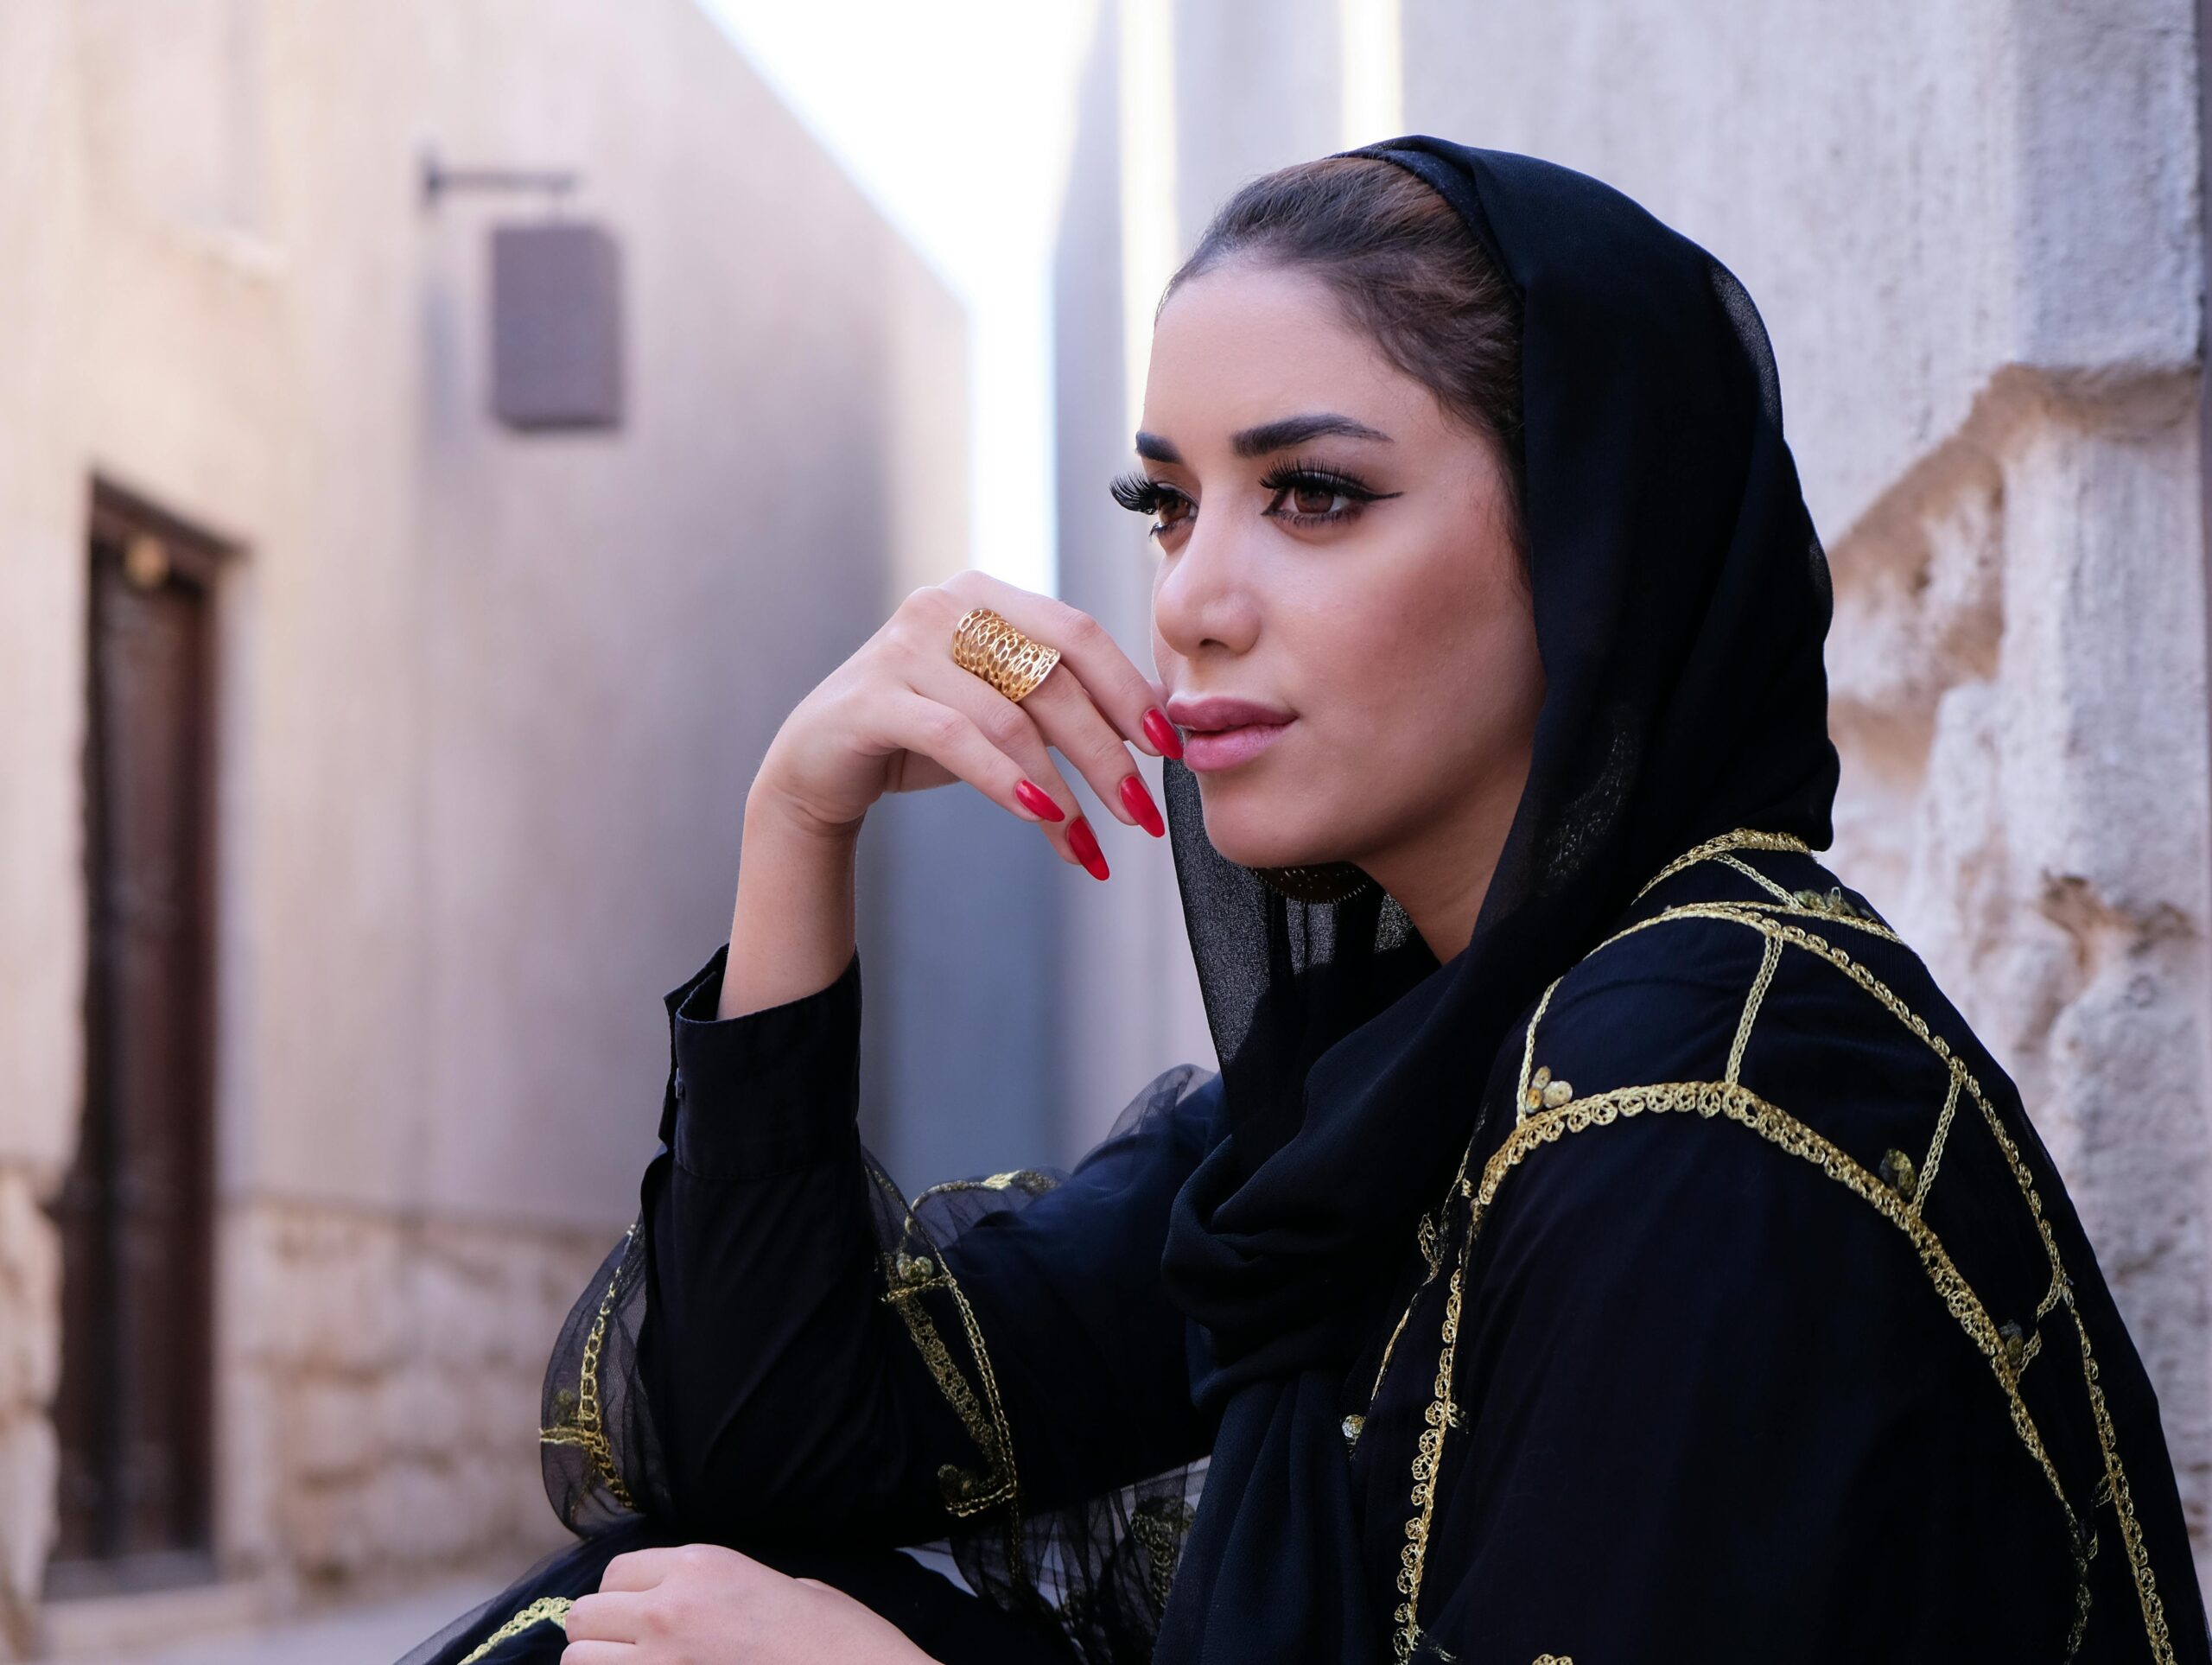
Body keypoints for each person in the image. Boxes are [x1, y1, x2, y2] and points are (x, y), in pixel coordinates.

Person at [404, 138, 2210, 1665]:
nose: (1190, 594)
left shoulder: (1693, 1104)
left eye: (1315, 495)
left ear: (1592, 546)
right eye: (1168, 504)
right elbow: (764, 1448)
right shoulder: (1370, 1103)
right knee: (641, 1613)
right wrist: (794, 823)